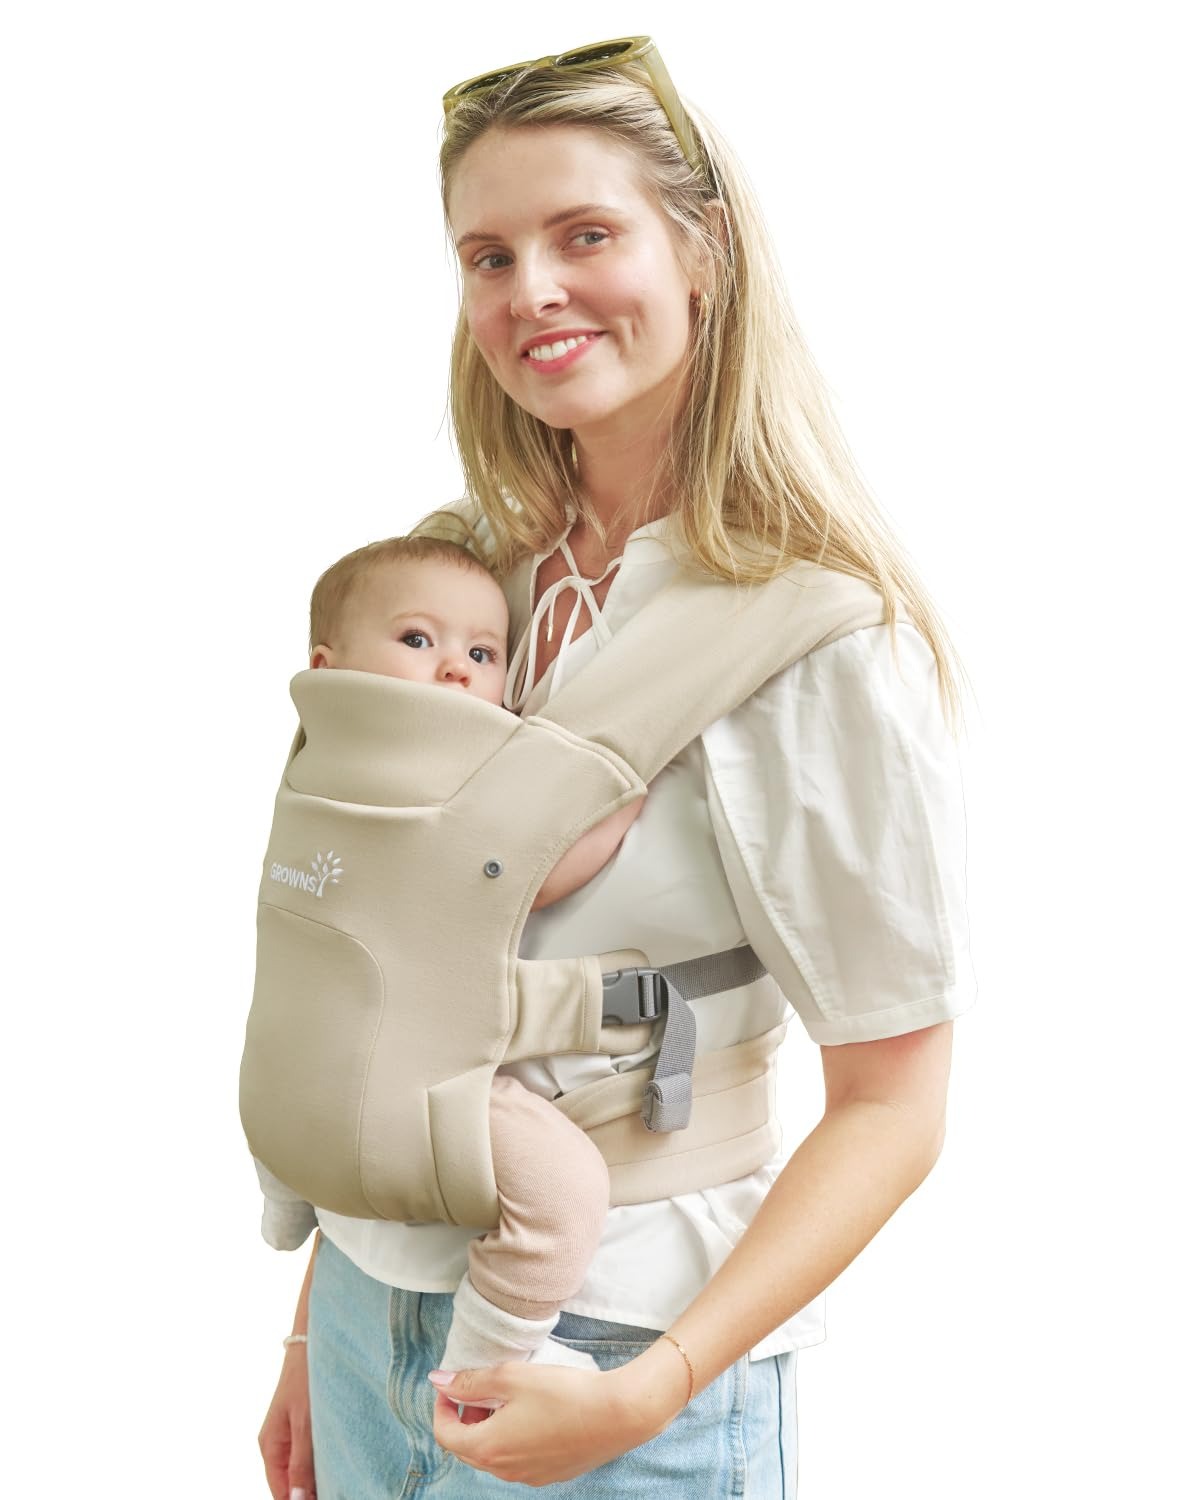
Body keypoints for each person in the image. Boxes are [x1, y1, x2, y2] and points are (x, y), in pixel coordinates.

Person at [256, 36, 976, 1497]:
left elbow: (894, 1109)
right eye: (489, 255)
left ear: (702, 253)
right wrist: (313, 1325)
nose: (531, 291)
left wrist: (657, 1388)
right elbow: (384, 962)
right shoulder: (461, 584)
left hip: (614, 1347)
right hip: (369, 1310)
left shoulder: (811, 638)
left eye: (585, 235)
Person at [254, 531, 647, 1390]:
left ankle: (284, 1204)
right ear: (327, 664)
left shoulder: (308, 763)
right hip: (410, 1084)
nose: (454, 671)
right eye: (417, 639)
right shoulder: (432, 769)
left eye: (482, 652)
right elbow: (527, 876)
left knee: (295, 1068)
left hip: (285, 1082)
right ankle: (485, 1357)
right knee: (566, 1191)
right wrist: (620, 802)